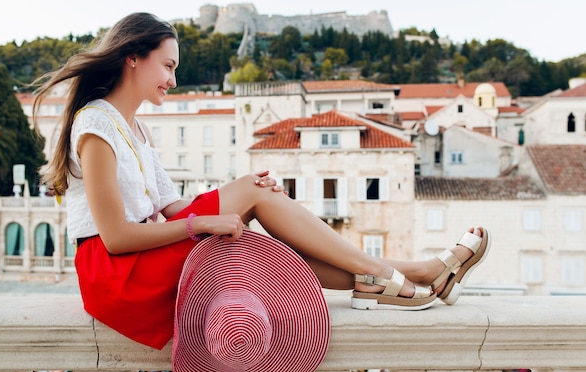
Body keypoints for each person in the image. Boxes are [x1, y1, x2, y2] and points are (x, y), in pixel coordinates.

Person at [32, 12, 490, 351]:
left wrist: (241, 189)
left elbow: (173, 208)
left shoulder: (135, 128)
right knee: (244, 218)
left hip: (145, 255)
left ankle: (407, 273)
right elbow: (114, 238)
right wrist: (204, 224)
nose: (174, 78)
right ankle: (394, 272)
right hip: (118, 275)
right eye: (168, 66)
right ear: (133, 58)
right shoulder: (95, 128)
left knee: (258, 233)